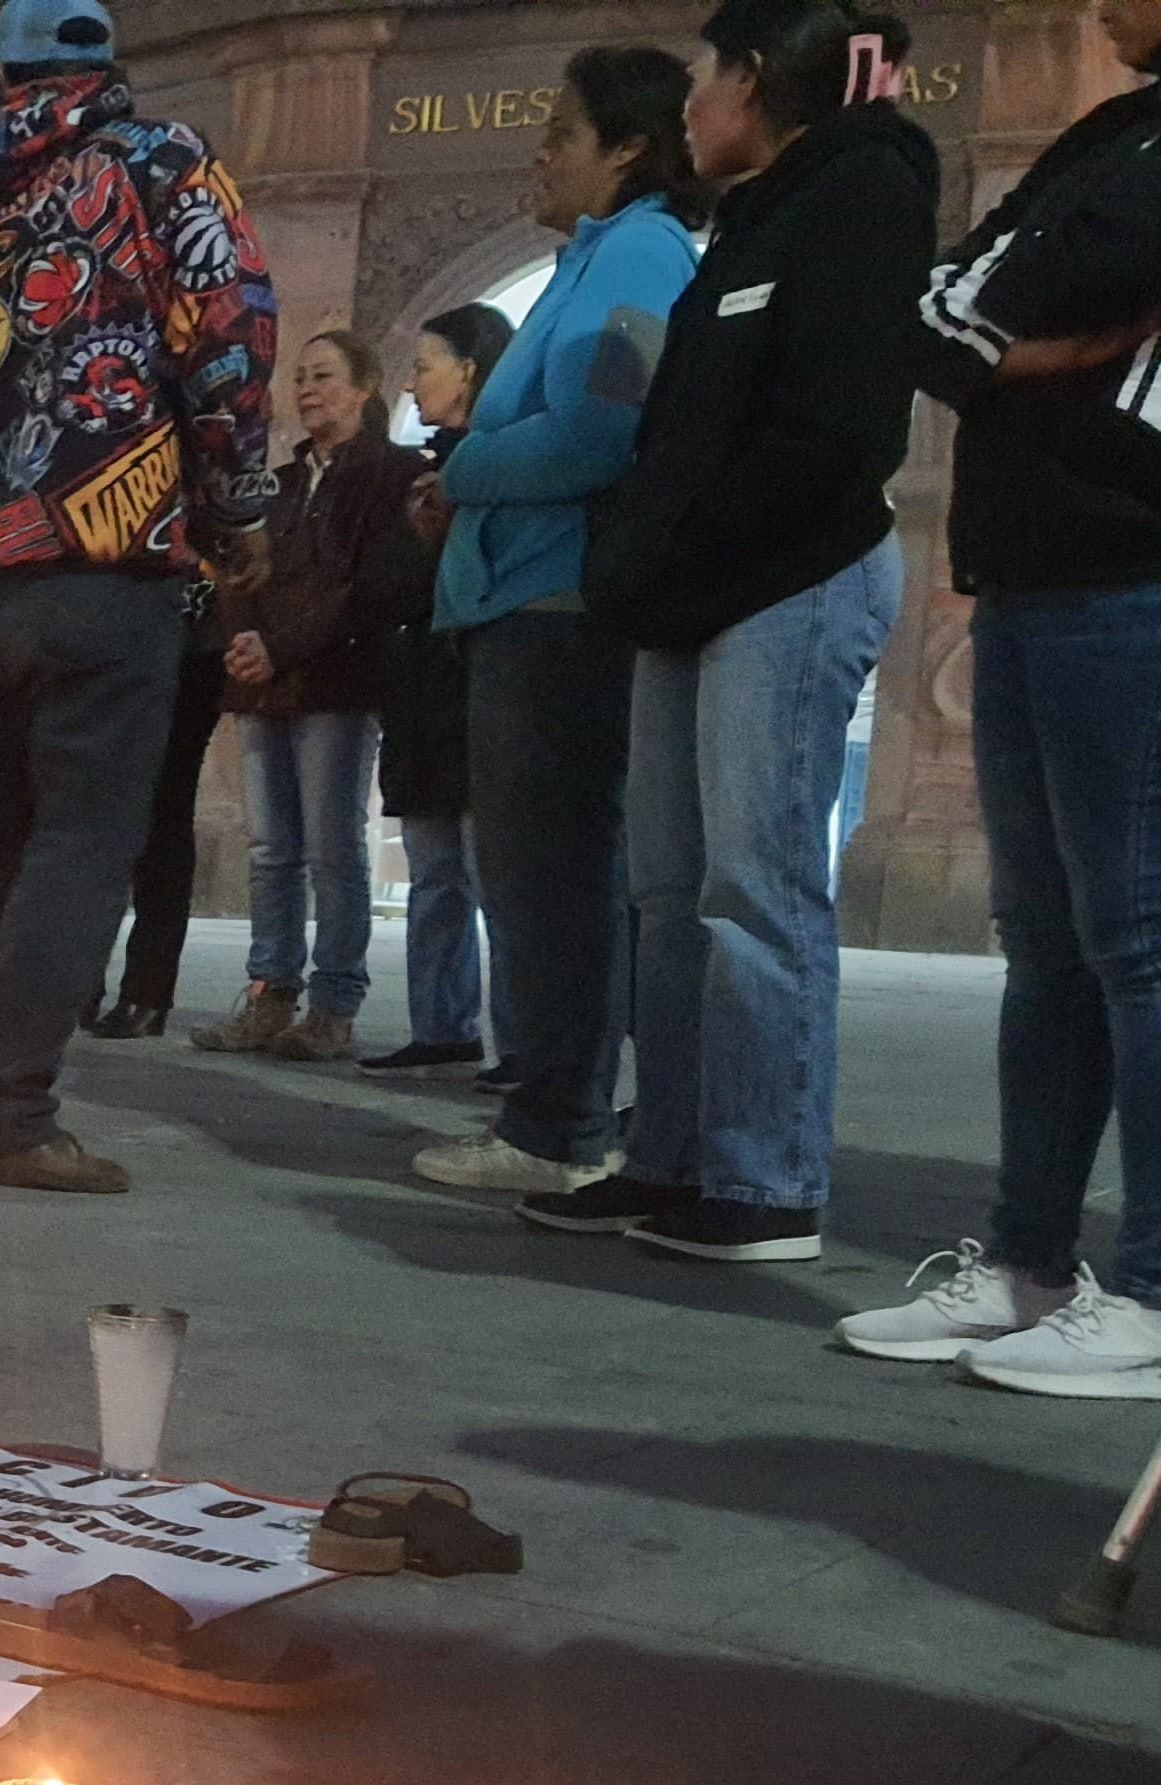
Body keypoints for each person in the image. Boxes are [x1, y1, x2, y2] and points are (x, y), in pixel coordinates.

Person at [845, 0, 1161, 1390]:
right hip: (1039, 572)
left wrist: (1028, 317)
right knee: (1044, 936)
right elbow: (948, 299)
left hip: (1149, 566)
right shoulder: (1120, 126)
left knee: (1150, 938)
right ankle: (1028, 1261)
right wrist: (1036, 335)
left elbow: (1113, 256)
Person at [554, 2, 934, 1262]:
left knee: (755, 893)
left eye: (704, 77)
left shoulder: (860, 197)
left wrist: (682, 544)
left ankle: (767, 1183)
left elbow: (834, 430)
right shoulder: (746, 222)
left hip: (784, 582)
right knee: (665, 892)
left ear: (758, 80)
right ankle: (669, 1155)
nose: (687, 109)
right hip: (686, 594)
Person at [0, 0, 278, 1193]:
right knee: (79, 843)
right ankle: (2, 1111)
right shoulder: (165, 168)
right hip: (109, 563)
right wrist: (235, 516)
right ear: (102, 70)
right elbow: (229, 342)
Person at [404, 48, 706, 1198]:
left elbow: (599, 431)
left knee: (556, 879)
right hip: (526, 601)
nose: (540, 151)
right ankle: (559, 1111)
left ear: (626, 148)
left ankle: (559, 1126)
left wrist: (468, 463)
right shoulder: (600, 259)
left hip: (557, 608)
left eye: (561, 131)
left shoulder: (639, 256)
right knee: (542, 876)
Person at [188, 329, 416, 1062]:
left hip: (335, 684)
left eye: (323, 377)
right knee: (270, 850)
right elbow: (238, 564)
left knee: (331, 850)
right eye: (301, 378)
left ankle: (333, 1005)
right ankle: (269, 991)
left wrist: (280, 647)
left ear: (364, 387)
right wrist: (245, 639)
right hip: (264, 687)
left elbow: (366, 588)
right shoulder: (278, 484)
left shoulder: (391, 477)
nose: (307, 390)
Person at [360, 304, 517, 1079]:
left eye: (426, 365)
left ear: (472, 370)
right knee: (432, 874)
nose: (414, 380)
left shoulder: (496, 468)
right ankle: (441, 1023)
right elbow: (385, 582)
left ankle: (522, 1048)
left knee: (498, 877)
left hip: (478, 690)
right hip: (421, 694)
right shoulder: (421, 474)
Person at [80, 589, 223, 1038]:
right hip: (106, 636)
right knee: (87, 820)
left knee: (163, 817)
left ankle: (147, 993)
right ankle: (79, 984)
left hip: (187, 643)